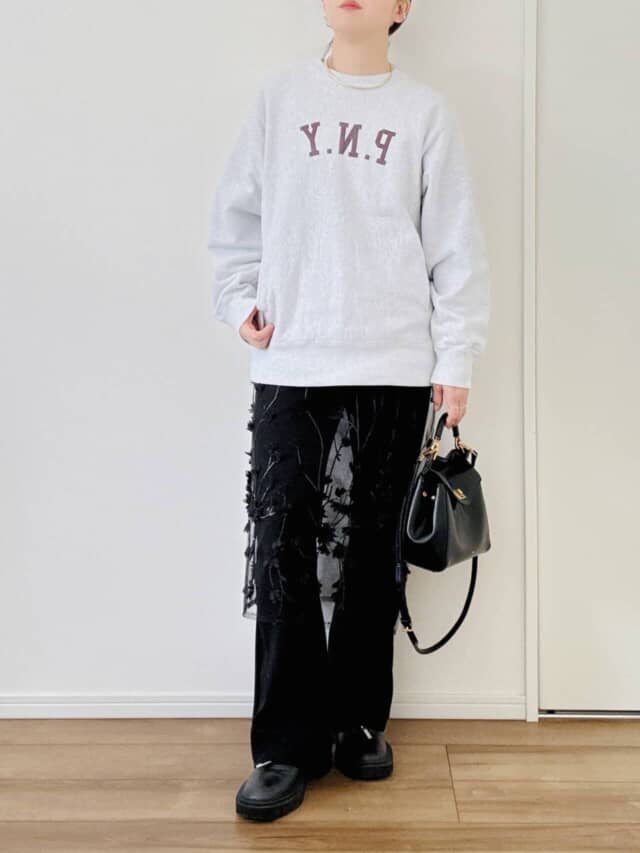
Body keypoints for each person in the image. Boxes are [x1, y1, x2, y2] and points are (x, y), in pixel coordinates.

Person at [206, 0, 490, 823]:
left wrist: (456, 358)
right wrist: (238, 301)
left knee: (372, 546)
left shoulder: (425, 113)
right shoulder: (279, 97)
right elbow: (235, 217)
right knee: (283, 546)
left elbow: (456, 246)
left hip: (394, 363)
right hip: (293, 356)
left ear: (402, 8)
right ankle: (284, 745)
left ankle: (359, 718)